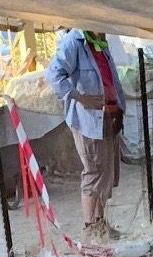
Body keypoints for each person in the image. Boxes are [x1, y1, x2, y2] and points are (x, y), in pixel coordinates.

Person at [46, 29, 124, 240]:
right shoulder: (74, 42)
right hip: (90, 120)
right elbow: (54, 74)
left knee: (107, 172)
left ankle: (100, 225)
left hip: (109, 115)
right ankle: (90, 228)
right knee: (94, 170)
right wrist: (81, 98)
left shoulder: (100, 40)